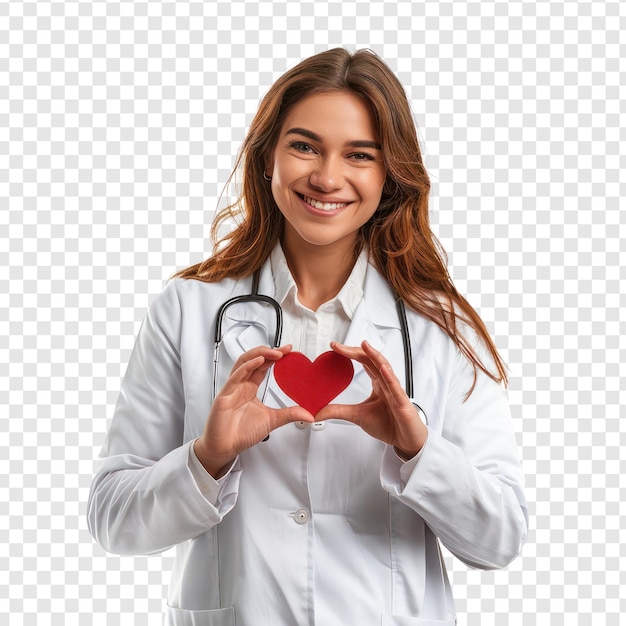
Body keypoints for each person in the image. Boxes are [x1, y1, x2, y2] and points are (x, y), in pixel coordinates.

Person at [87, 48, 528, 626]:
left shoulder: (439, 326)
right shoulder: (187, 309)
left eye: (359, 155)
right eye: (304, 146)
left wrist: (419, 452)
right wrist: (208, 458)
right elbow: (112, 522)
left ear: (389, 173)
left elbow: (499, 540)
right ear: (268, 154)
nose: (326, 176)